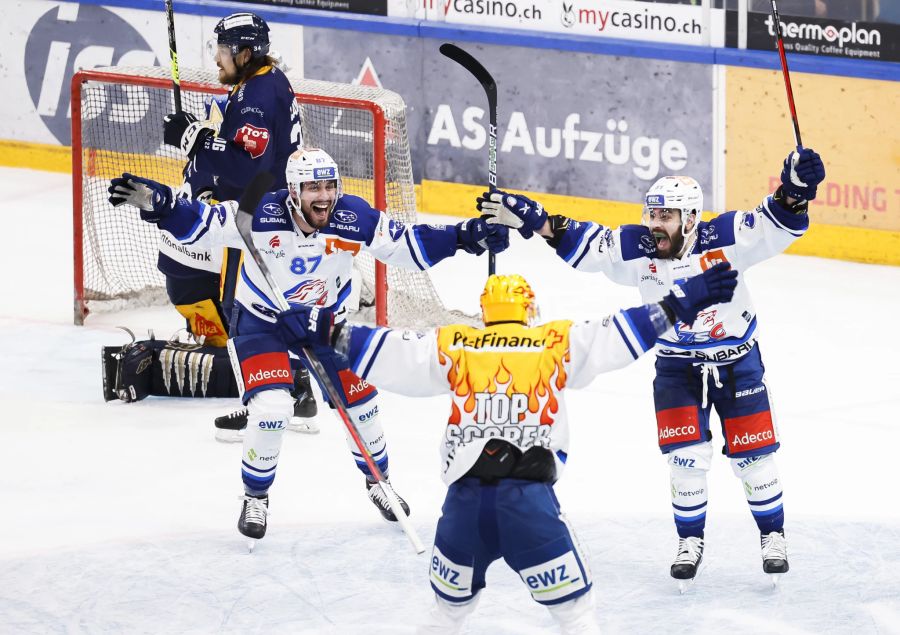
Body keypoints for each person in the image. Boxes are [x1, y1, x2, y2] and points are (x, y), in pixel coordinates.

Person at [284, 269, 735, 633]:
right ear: (531, 309)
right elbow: (621, 333)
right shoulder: (554, 341)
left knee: (446, 617)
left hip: (463, 510)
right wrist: (681, 301)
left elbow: (387, 352)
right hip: (529, 507)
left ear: (484, 314)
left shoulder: (455, 343)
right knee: (576, 615)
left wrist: (323, 328)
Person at [106, 147, 509, 539]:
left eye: (330, 185)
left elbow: (407, 245)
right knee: (273, 409)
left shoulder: (352, 216)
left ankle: (379, 484)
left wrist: (465, 236)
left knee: (362, 406)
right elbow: (201, 223)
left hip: (325, 322)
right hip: (263, 320)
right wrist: (158, 203)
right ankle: (256, 496)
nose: (325, 196)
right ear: (294, 192)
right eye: (314, 188)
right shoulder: (259, 212)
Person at [476, 148, 826, 588]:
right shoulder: (638, 246)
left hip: (737, 363)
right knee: (684, 459)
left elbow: (777, 220)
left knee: (755, 457)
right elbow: (585, 244)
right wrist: (535, 219)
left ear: (692, 218)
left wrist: (797, 190)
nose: (656, 224)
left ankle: (772, 536)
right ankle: (689, 541)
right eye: (653, 213)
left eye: (667, 216)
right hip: (676, 369)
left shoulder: (727, 234)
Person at [160, 12, 318, 439]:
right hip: (270, 212)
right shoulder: (261, 83)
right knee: (266, 307)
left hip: (260, 217)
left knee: (242, 310)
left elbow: (248, 168)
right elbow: (245, 151)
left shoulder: (258, 96)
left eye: (224, 51)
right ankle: (298, 394)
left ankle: (264, 404)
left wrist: (193, 139)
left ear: (246, 54)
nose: (217, 59)